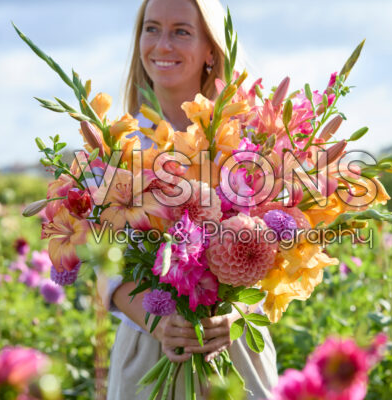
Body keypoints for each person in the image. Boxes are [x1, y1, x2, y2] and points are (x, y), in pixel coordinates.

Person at [98, 0, 279, 398]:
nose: (162, 44)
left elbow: (278, 254)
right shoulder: (115, 143)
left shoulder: (249, 139)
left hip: (235, 351)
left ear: (211, 50)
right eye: (151, 28)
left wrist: (236, 310)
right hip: (148, 355)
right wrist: (157, 320)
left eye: (181, 31)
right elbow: (101, 265)